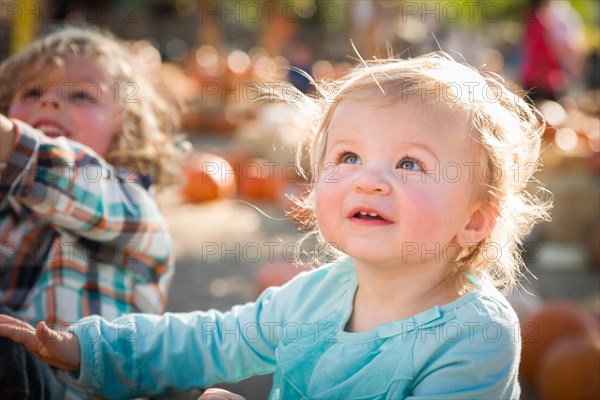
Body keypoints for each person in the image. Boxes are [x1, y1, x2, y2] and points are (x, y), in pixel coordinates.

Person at [0, 52, 551, 399]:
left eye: (410, 164)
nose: (369, 181)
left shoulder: (475, 338)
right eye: (349, 158)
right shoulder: (315, 298)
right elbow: (208, 341)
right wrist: (88, 349)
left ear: (475, 221)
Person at [0, 26, 183, 398]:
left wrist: (10, 141)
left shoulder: (131, 208)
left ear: (124, 130)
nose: (49, 100)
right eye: (33, 91)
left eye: (82, 95)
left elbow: (69, 176)